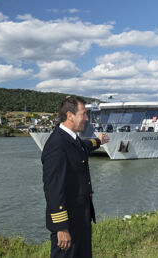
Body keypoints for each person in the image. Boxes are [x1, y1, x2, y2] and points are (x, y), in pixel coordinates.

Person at [42, 96, 109, 258]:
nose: (86, 118)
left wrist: (98, 141)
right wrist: (61, 227)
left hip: (80, 217)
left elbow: (83, 147)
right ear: (70, 115)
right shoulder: (57, 145)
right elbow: (53, 189)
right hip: (68, 223)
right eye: (83, 114)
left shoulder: (72, 140)